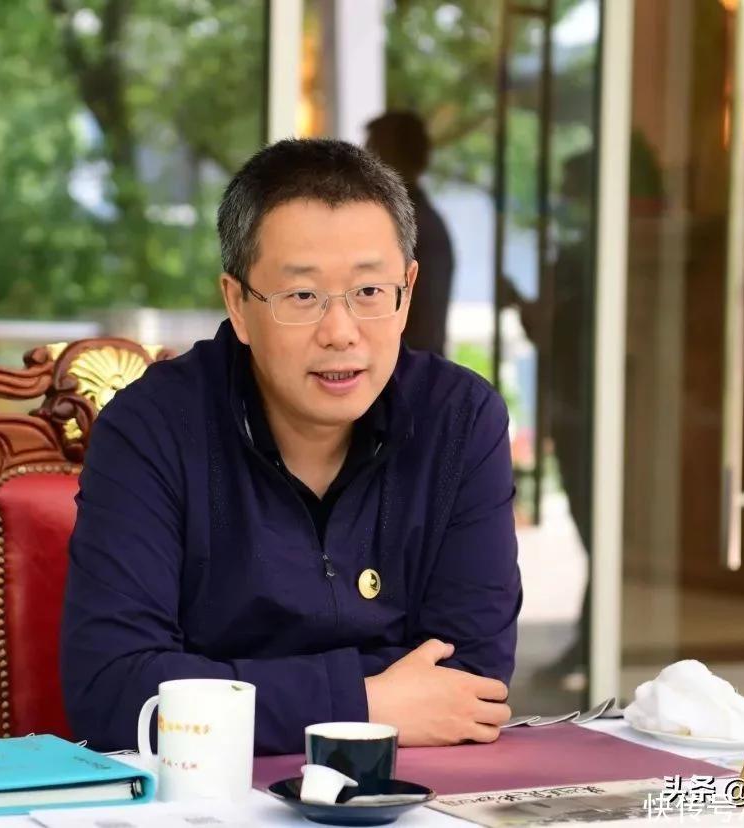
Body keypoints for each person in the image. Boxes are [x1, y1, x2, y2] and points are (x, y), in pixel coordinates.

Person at [61, 139, 522, 756]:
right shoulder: (152, 428)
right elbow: (115, 694)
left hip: (408, 790)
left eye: (369, 291)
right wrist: (365, 703)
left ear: (407, 291)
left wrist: (223, 690)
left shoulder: (460, 420)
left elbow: (471, 684)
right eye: (302, 297)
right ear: (237, 304)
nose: (340, 333)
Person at [365, 111, 454, 356]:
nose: (365, 164)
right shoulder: (416, 219)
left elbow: (423, 330)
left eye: (372, 151)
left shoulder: (415, 224)